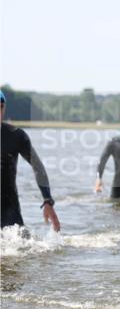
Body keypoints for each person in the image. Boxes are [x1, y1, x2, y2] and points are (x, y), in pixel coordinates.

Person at [0, 90, 61, 232]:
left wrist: (48, 200)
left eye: (1, 106)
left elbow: (38, 167)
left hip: (10, 216)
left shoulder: (16, 136)